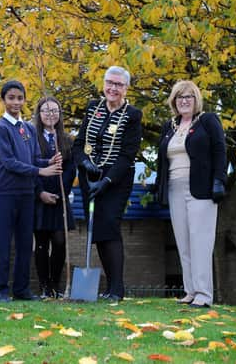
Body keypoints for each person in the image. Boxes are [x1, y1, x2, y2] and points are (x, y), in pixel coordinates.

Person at [72, 66, 143, 302]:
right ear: (103, 84)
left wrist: (107, 180)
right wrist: (84, 163)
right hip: (89, 178)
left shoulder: (133, 115)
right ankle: (107, 287)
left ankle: (117, 287)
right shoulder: (93, 108)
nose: (113, 88)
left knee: (110, 225)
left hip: (116, 179)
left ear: (126, 88)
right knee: (98, 230)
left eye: (119, 84)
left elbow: (127, 154)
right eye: (109, 83)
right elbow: (79, 144)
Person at [154, 80, 227, 308]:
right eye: (179, 97)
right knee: (183, 242)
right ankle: (190, 291)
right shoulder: (169, 126)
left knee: (201, 242)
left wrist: (219, 180)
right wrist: (159, 187)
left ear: (196, 100)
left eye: (189, 97)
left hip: (201, 189)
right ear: (174, 101)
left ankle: (204, 295)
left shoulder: (207, 120)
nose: (184, 101)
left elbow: (220, 151)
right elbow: (161, 161)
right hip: (174, 188)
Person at [0, 80, 63, 302]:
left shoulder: (28, 128)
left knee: (24, 243)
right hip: (6, 193)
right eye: (11, 97)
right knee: (3, 243)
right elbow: (10, 162)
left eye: (19, 98)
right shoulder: (0, 129)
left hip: (26, 194)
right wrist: (41, 170)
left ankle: (22, 289)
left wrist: (48, 160)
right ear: (3, 100)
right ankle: (0, 290)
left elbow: (32, 159)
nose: (16, 102)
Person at [32, 96, 77, 298]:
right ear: (39, 114)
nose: (51, 115)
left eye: (55, 111)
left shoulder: (66, 140)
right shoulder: (32, 139)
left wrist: (60, 192)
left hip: (59, 199)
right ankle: (44, 287)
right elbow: (30, 167)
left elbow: (70, 170)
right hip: (39, 198)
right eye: (46, 111)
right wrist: (40, 192)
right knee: (41, 243)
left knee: (59, 242)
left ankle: (55, 284)